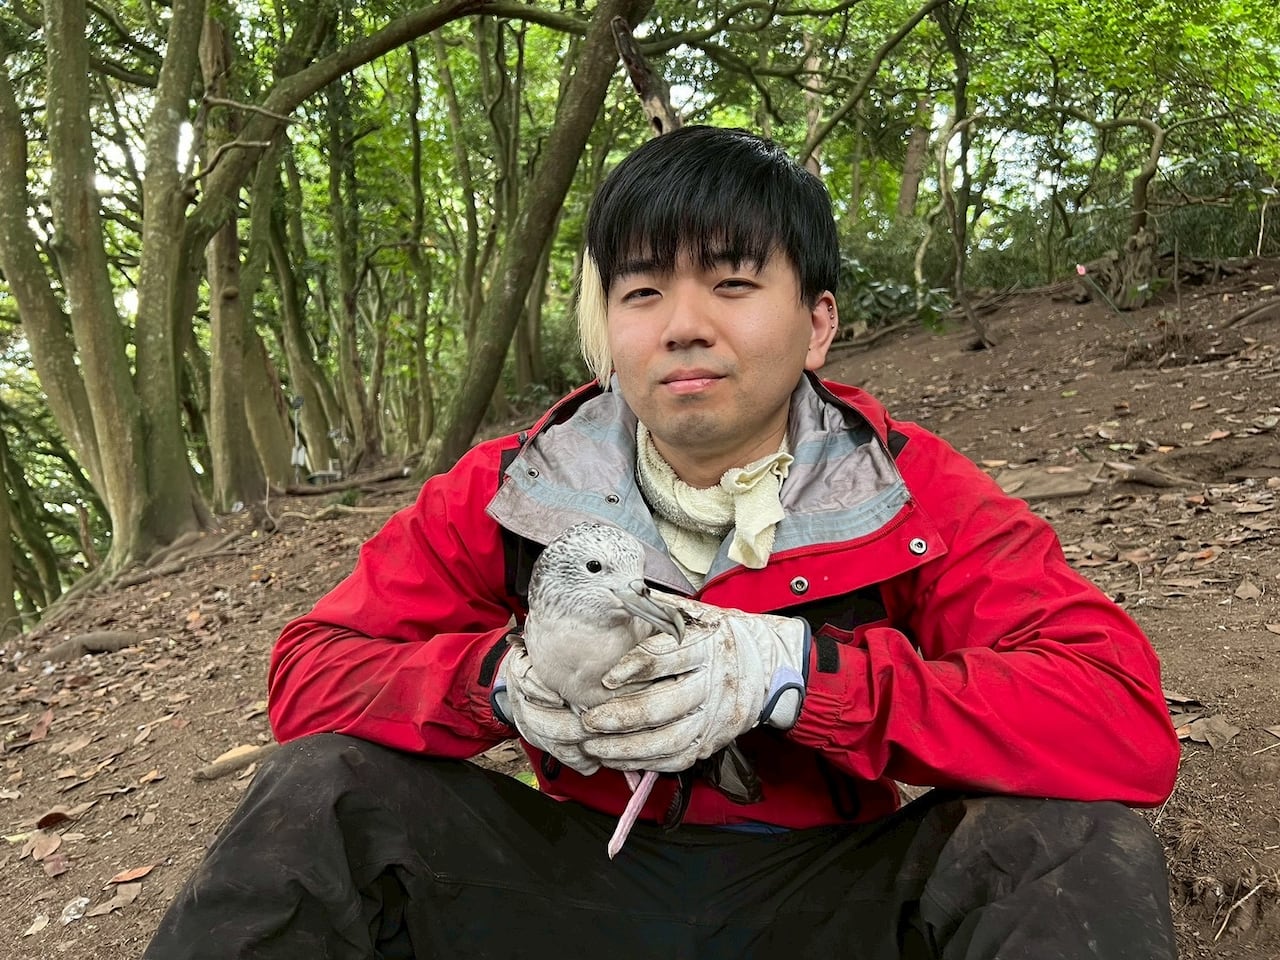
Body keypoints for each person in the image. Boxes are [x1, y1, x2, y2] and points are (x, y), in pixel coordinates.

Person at [145, 125, 1180, 959]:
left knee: (1068, 841)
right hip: (571, 884)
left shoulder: (904, 492)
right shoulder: (517, 488)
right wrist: (494, 685)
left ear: (816, 323)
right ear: (608, 325)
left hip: (830, 898)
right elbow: (310, 677)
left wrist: (795, 677)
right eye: (640, 291)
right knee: (319, 792)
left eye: (731, 284)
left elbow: (1120, 722)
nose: (681, 325)